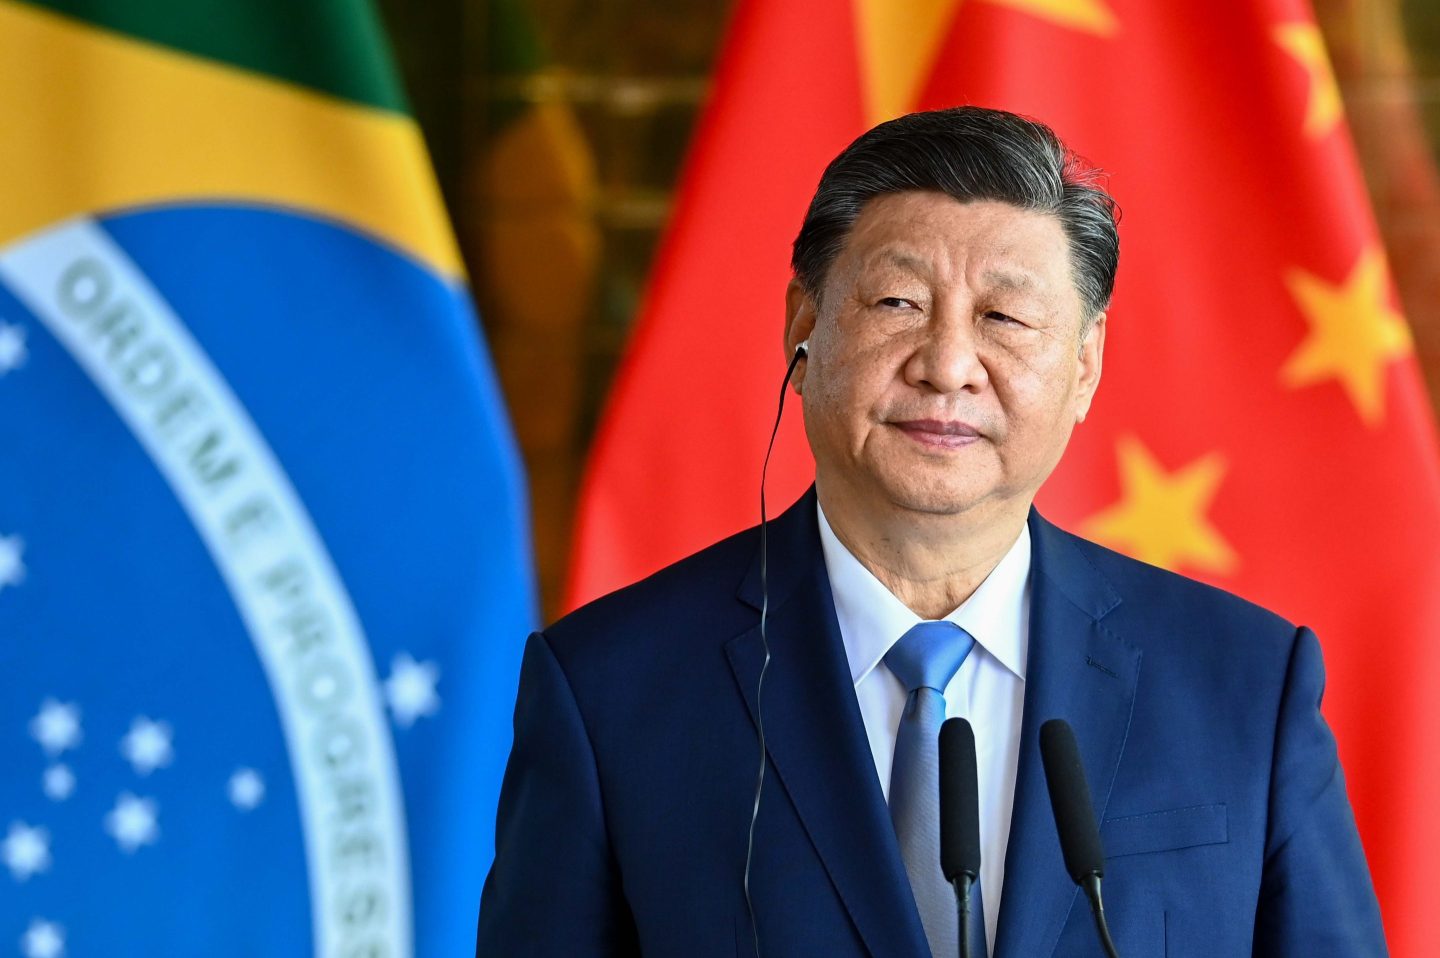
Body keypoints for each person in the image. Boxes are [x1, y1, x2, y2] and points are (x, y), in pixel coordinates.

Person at [476, 107, 1387, 956]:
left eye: (1006, 318)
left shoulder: (1244, 685)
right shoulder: (609, 690)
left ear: (1084, 368)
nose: (949, 365)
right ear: (805, 326)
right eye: (897, 304)